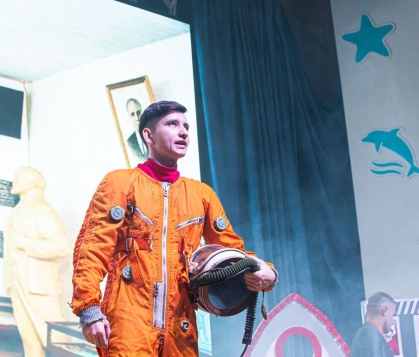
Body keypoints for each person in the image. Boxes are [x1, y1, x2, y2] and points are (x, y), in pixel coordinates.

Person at [70, 100, 277, 356]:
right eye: (172, 124)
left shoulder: (201, 194)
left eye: (186, 127)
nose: (183, 132)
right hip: (129, 319)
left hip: (181, 323)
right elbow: (92, 249)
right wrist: (88, 309)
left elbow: (232, 251)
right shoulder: (120, 183)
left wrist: (266, 272)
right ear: (148, 135)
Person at [3, 166, 71, 357]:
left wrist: (27, 244)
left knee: (54, 339)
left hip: (39, 285)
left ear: (32, 183)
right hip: (19, 282)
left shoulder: (41, 210)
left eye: (19, 177)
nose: (15, 181)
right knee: (29, 338)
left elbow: (61, 247)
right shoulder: (19, 210)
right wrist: (9, 280)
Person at [350, 292, 396, 357]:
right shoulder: (369, 334)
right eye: (392, 315)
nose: (392, 321)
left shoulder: (371, 333)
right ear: (384, 311)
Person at [125, 98, 149, 163]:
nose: (137, 118)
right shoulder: (130, 142)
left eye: (138, 113)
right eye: (132, 114)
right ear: (129, 118)